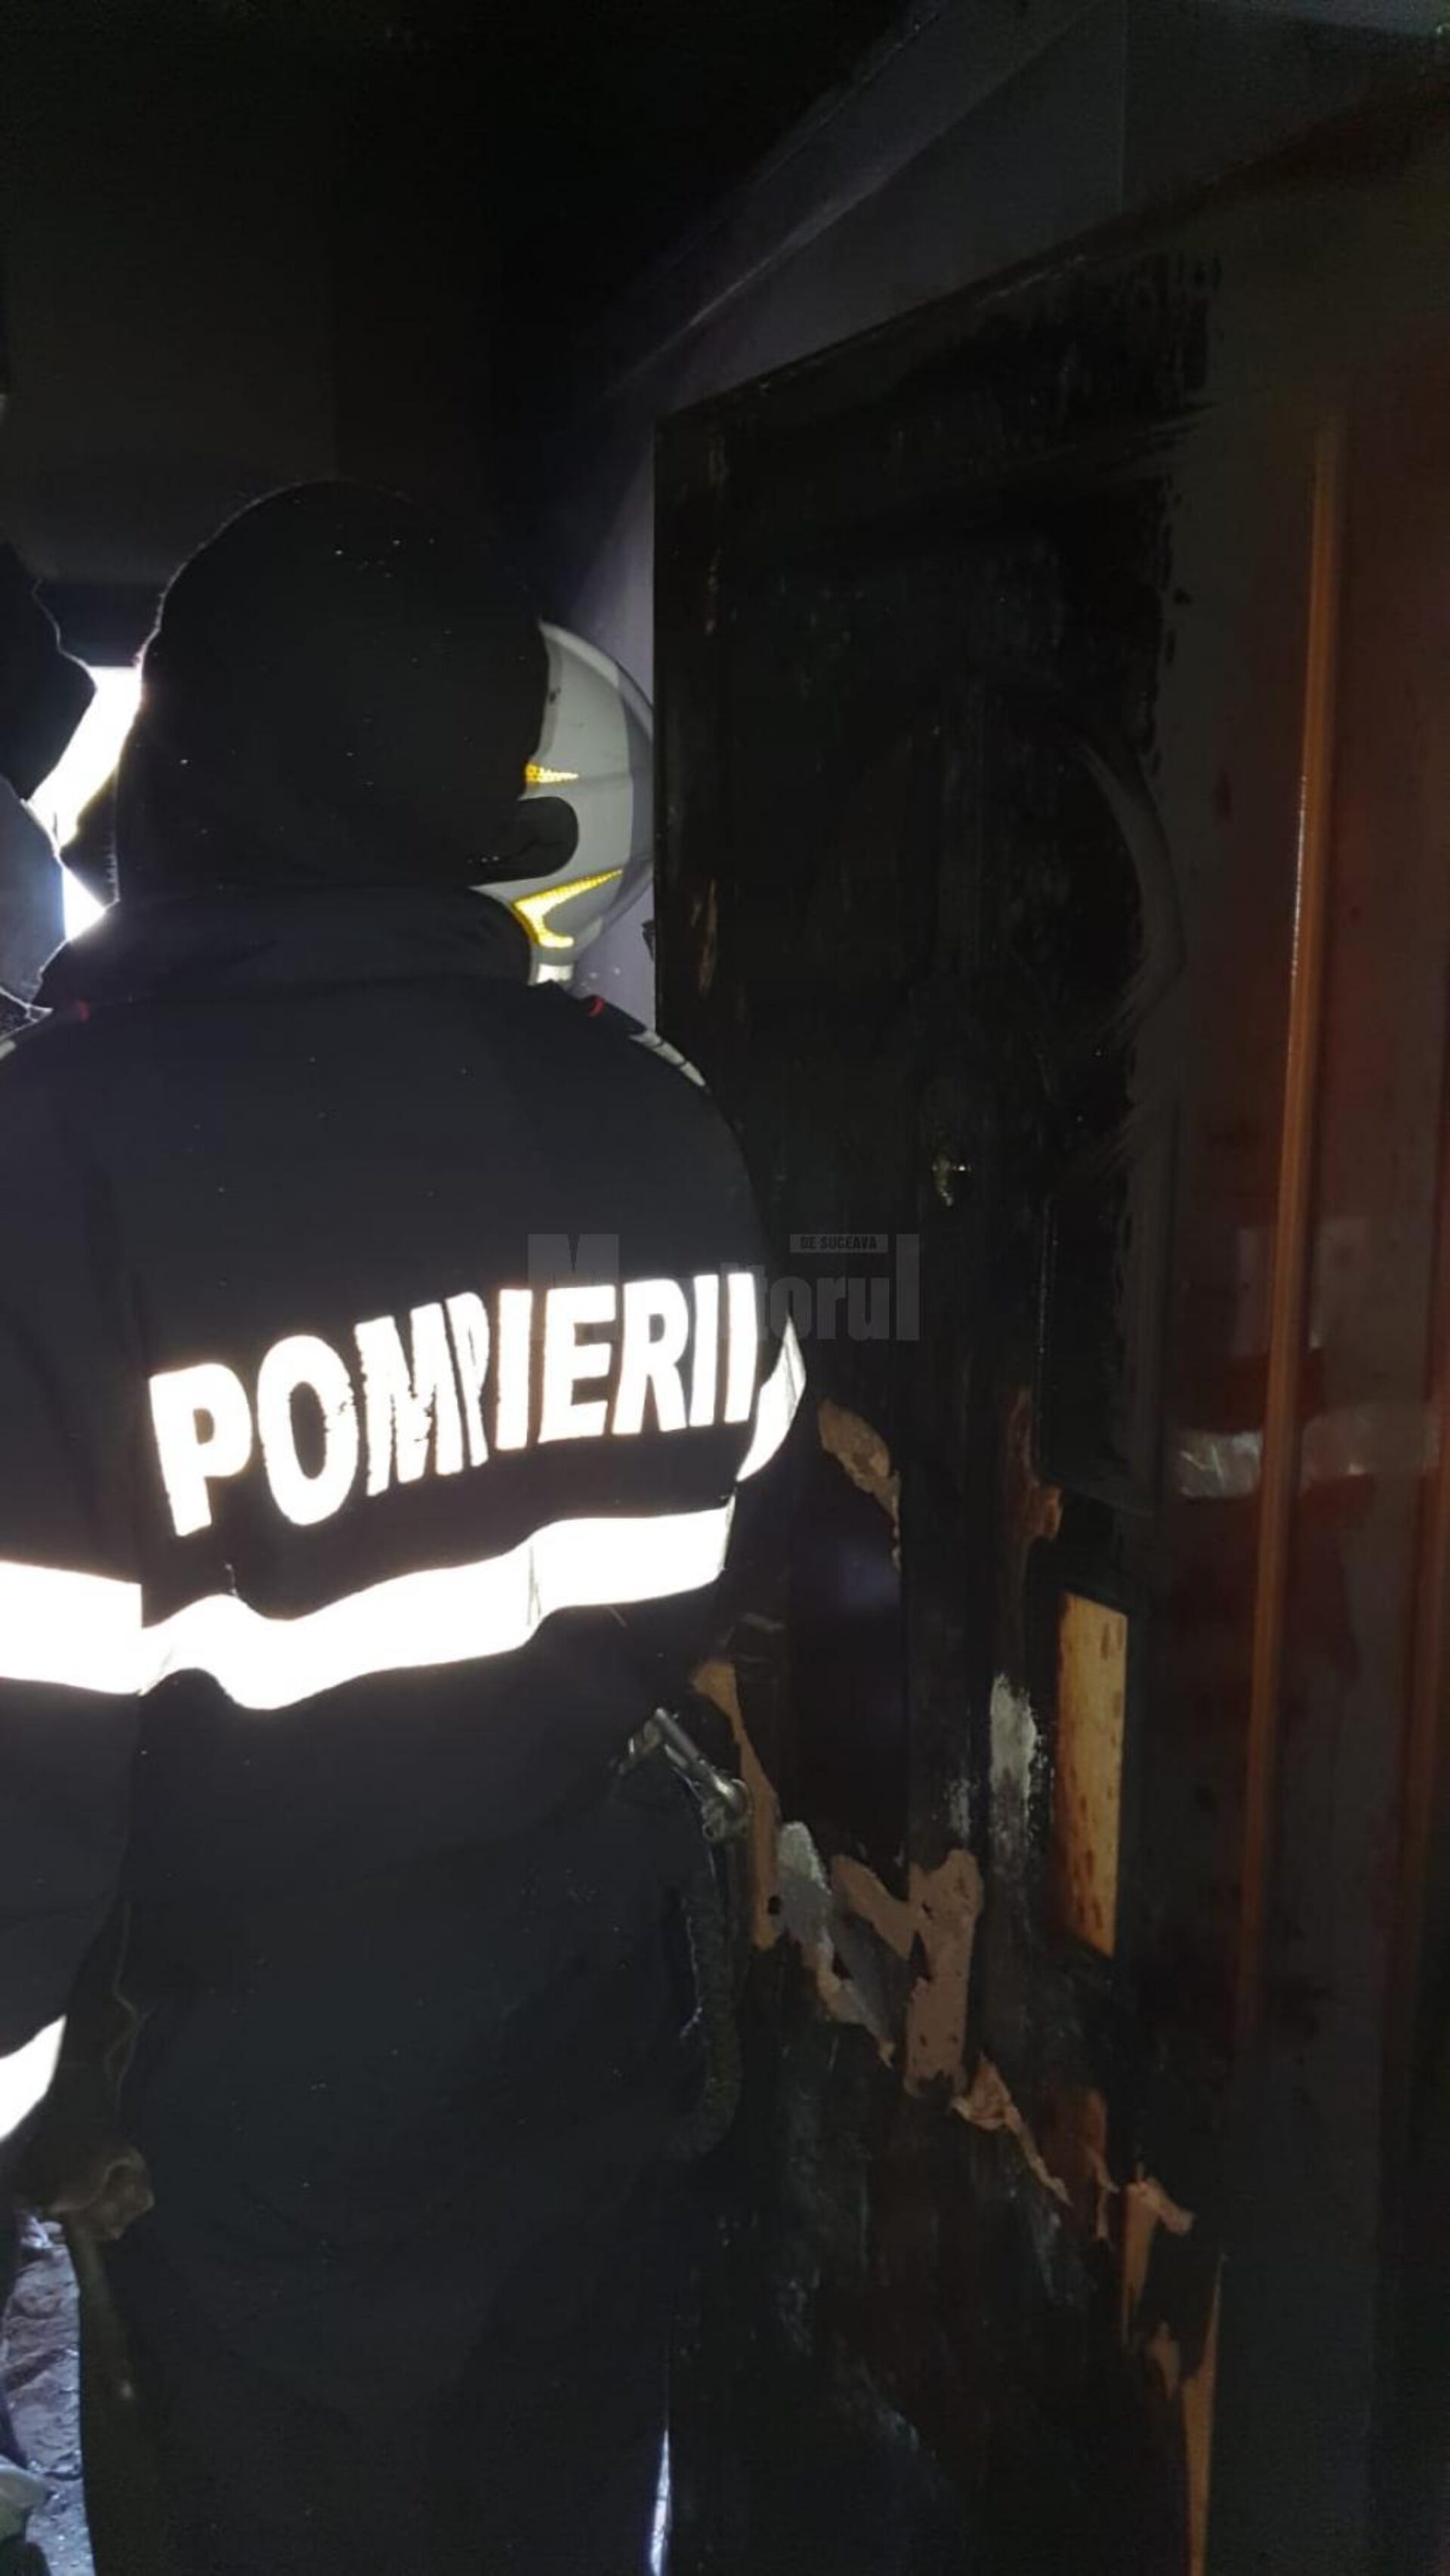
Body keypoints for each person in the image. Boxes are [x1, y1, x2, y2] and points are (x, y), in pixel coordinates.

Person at [0, 482, 802, 2574]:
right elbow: (740, 1503)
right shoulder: (656, 1113)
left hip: (255, 2118)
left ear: (193, 767)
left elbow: (15, 1777)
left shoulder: (55, 1164)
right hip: (589, 2038)